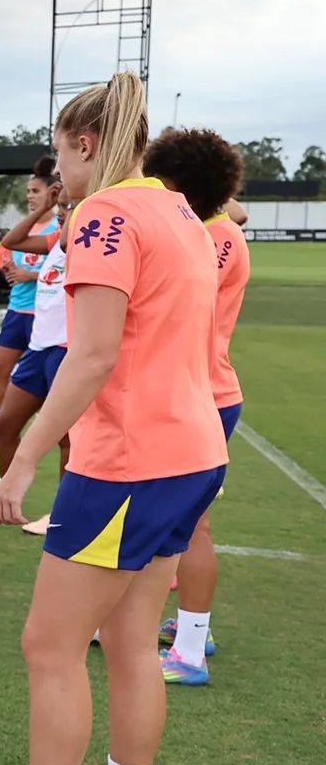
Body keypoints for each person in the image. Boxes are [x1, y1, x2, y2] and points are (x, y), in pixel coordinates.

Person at [0, 72, 226, 765]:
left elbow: (93, 356)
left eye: (59, 156)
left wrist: (25, 456)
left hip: (130, 462)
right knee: (133, 643)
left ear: (85, 144)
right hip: (191, 453)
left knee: (50, 646)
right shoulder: (177, 210)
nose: (55, 174)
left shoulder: (103, 214)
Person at [142, 129, 250, 687]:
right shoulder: (205, 227)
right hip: (189, 391)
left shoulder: (215, 233)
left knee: (193, 525)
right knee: (175, 524)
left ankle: (189, 650)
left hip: (202, 392)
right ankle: (184, 629)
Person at [0, 183, 71, 534]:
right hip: (39, 348)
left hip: (68, 348)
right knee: (6, 424)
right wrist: (44, 210)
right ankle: (3, 498)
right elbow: (12, 241)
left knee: (68, 439)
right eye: (63, 209)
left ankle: (62, 515)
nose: (65, 213)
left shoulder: (91, 245)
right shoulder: (55, 241)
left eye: (70, 208)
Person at [0, 162, 62, 443]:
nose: (30, 196)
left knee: (45, 378)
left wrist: (32, 274)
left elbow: (66, 267)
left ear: (52, 192)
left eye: (36, 190)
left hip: (43, 313)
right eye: (28, 191)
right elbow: (4, 248)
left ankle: (47, 429)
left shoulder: (62, 224)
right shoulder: (27, 225)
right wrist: (4, 264)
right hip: (17, 309)